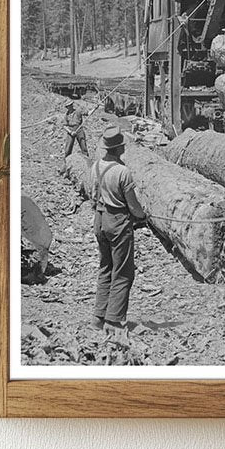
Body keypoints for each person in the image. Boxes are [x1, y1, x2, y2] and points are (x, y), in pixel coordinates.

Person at [89, 126, 146, 342]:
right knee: (123, 271)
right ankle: (113, 321)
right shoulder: (122, 172)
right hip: (118, 222)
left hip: (100, 220)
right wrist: (142, 216)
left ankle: (98, 317)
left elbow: (92, 196)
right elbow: (133, 206)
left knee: (106, 268)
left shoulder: (95, 167)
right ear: (119, 148)